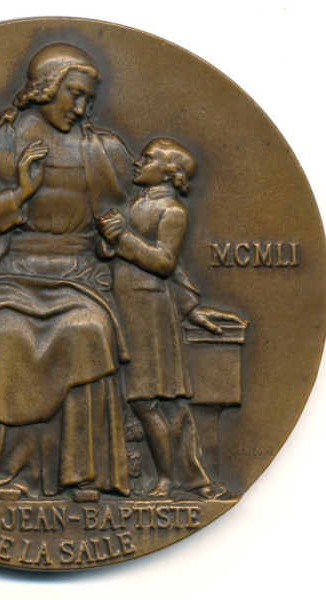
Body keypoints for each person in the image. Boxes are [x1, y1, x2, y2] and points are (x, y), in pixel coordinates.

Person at [0, 43, 135, 501]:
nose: (81, 109)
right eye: (74, 95)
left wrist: (113, 238)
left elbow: (129, 221)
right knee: (0, 333)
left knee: (87, 329)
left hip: (81, 282)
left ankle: (78, 475)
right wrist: (17, 195)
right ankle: (0, 473)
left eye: (88, 100)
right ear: (45, 88)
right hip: (3, 280)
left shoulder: (104, 150)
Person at [97, 137, 246, 498]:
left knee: (160, 400)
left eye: (147, 158)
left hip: (149, 313)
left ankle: (180, 479)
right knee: (146, 401)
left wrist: (123, 238)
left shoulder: (173, 212)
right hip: (123, 308)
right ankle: (174, 477)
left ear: (168, 172)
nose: (137, 162)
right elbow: (109, 251)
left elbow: (165, 263)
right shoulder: (134, 204)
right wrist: (106, 239)